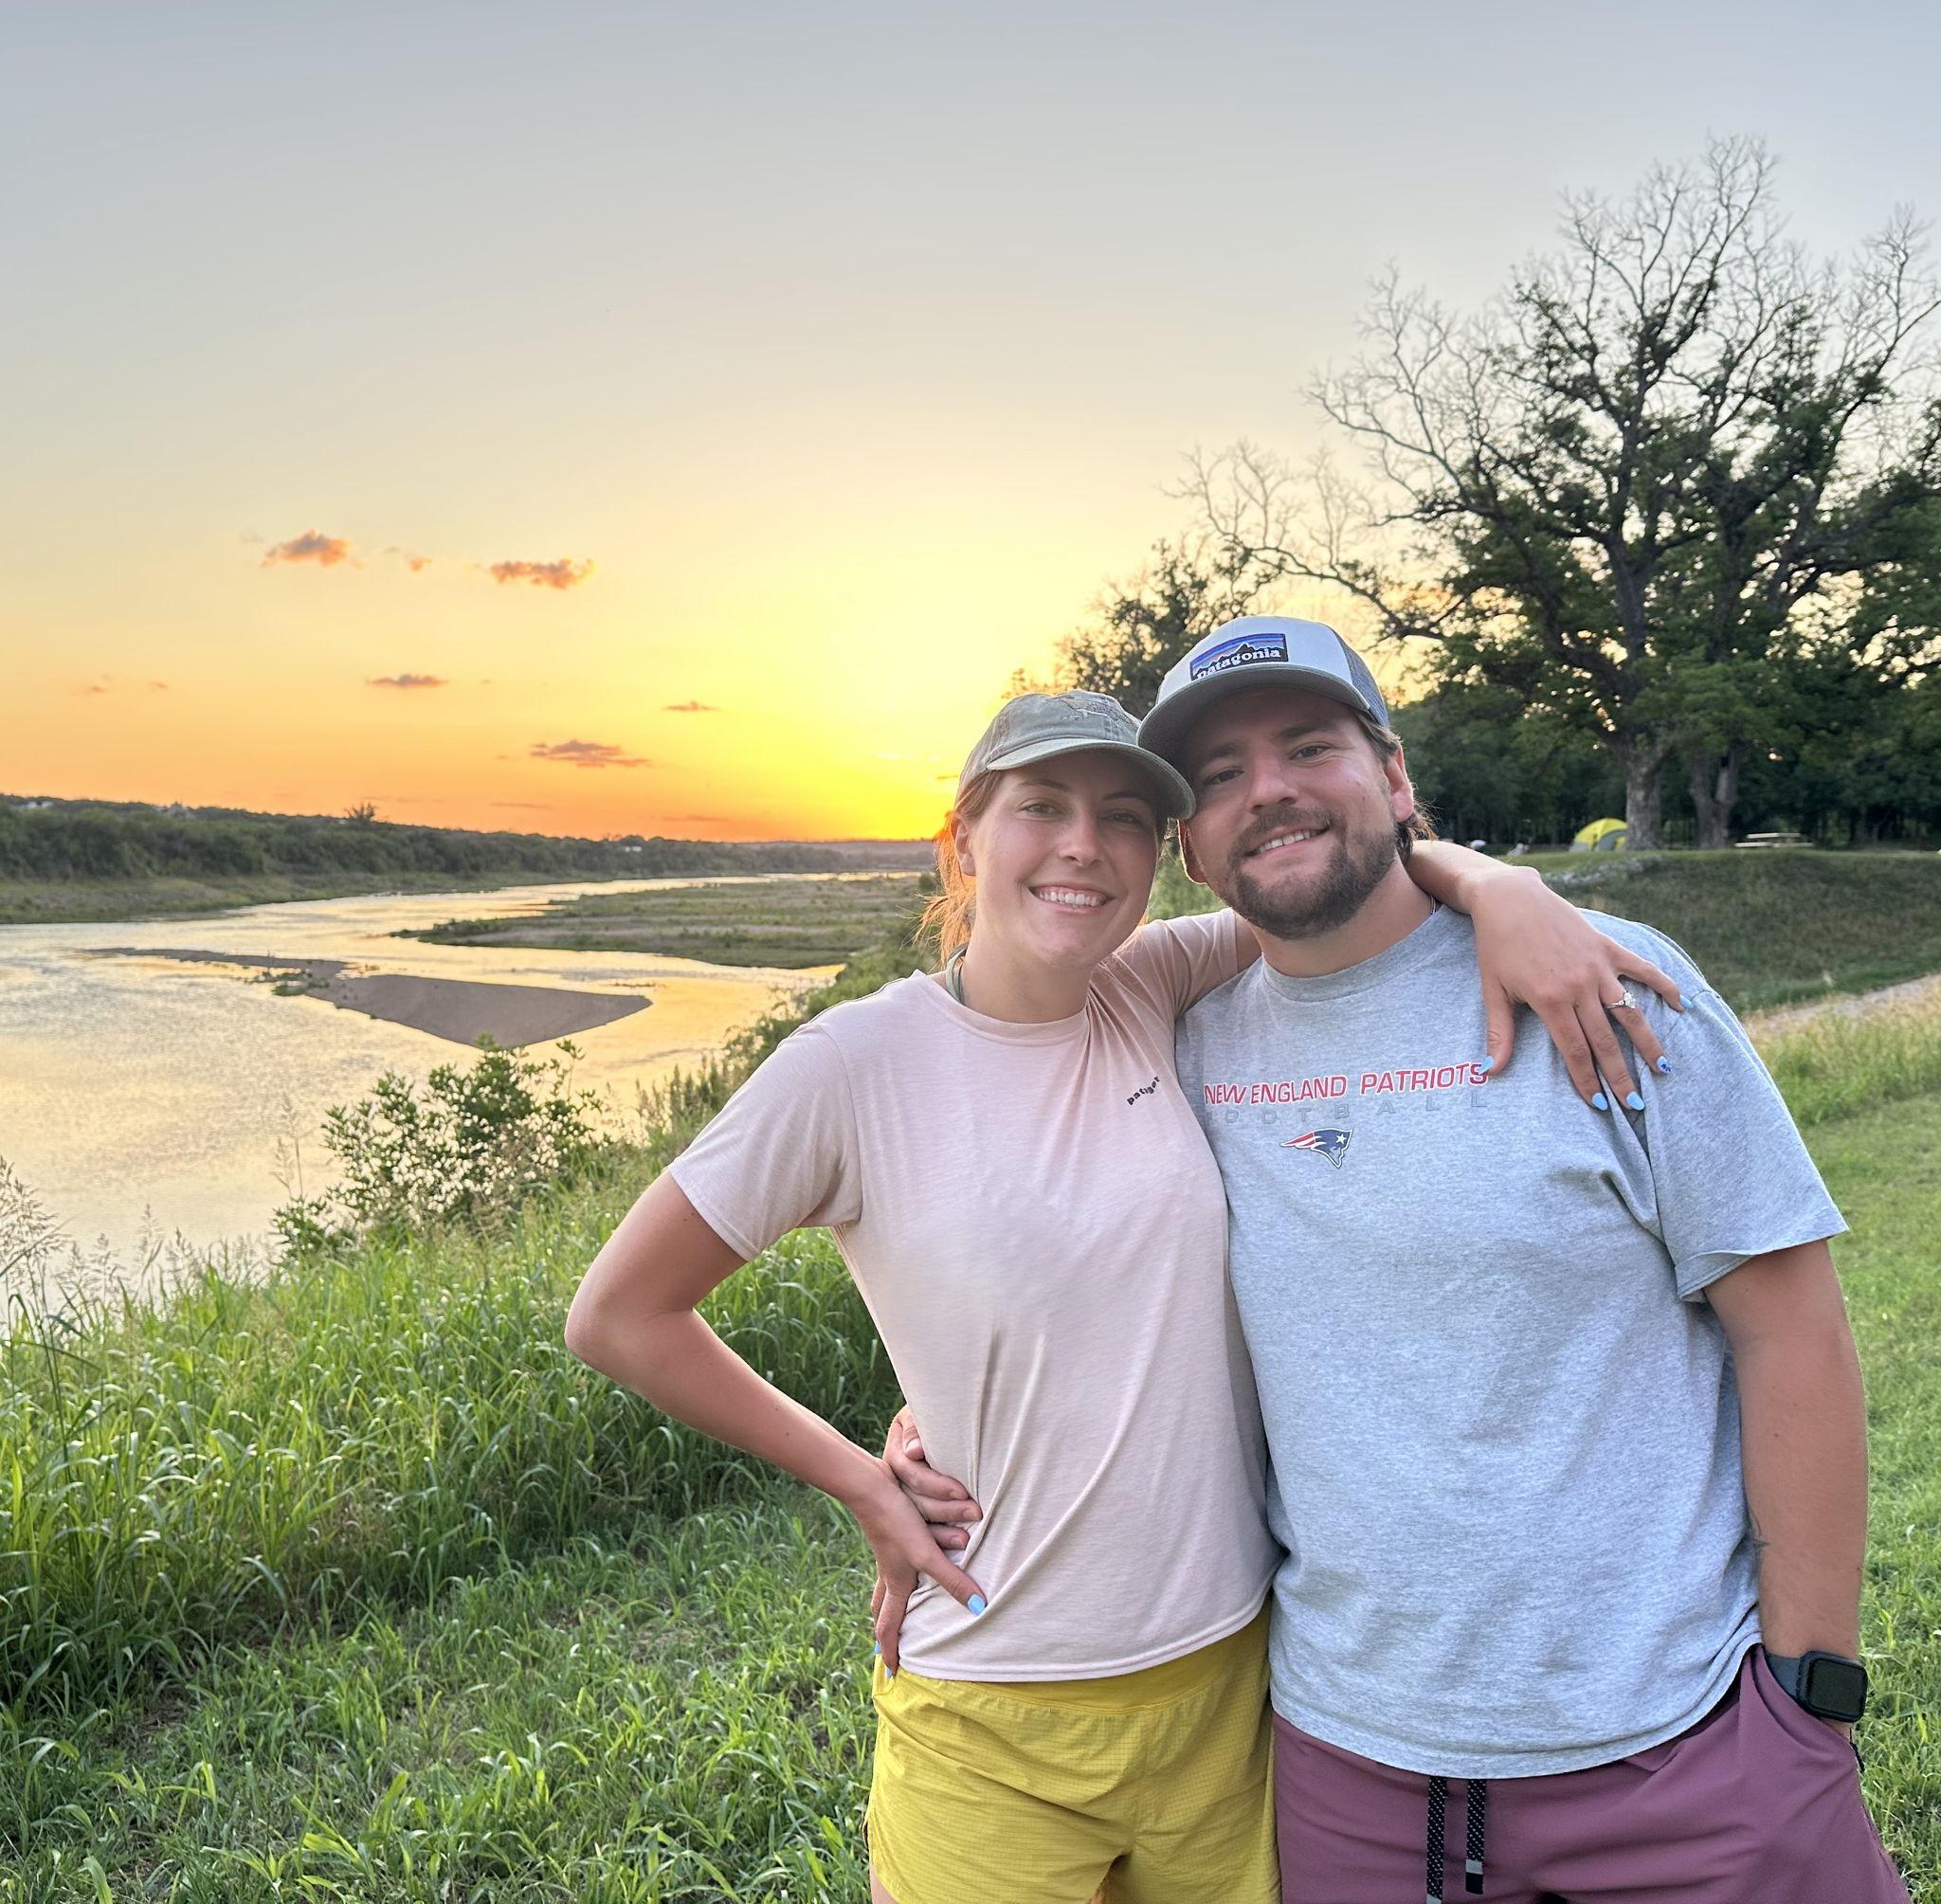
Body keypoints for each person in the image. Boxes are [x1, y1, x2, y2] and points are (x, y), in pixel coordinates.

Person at [564, 685, 1678, 1904]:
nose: (1083, 846)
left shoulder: (1148, 985)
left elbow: (1334, 881)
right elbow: (620, 1313)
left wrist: (1500, 887)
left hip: (1226, 1691)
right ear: (963, 835)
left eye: (1125, 818)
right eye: (1041, 806)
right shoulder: (850, 1064)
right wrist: (858, 1478)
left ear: (1162, 854)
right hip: (990, 1702)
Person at [898, 615, 1910, 1902]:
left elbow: (1790, 1327)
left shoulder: (1606, 987)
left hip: (1690, 1744)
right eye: (1219, 775)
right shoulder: (1178, 1048)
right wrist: (931, 1427)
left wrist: (1806, 1690)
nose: (1268, 789)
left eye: (1307, 746)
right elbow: (1073, 1282)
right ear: (1188, 845)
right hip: (1351, 1773)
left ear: (1393, 775)